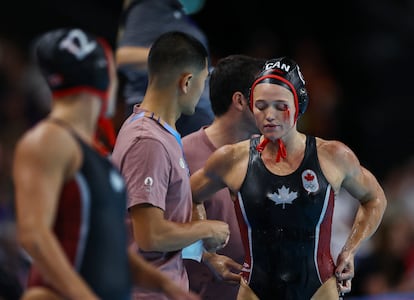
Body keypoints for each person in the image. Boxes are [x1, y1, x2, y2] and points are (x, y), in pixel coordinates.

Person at [12, 28, 199, 300]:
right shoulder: (50, 140)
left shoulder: (93, 152)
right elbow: (34, 237)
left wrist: (165, 285)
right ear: (103, 78)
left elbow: (107, 249)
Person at [190, 56, 387, 300]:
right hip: (254, 290)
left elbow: (375, 198)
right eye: (261, 106)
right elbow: (187, 197)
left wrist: (350, 250)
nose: (269, 115)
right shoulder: (232, 159)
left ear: (298, 106)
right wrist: (206, 255)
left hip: (319, 290)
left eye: (280, 106)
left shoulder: (333, 156)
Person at [111, 31, 230, 300]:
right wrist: (207, 228)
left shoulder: (160, 133)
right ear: (186, 82)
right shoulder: (147, 141)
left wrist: (204, 254)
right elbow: (149, 236)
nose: (203, 93)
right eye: (203, 82)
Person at [182, 54, 266, 299]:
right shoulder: (181, 155)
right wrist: (206, 257)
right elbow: (157, 230)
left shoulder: (271, 153)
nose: (270, 107)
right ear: (240, 101)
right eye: (262, 97)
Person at [115, 0, 214, 136]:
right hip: (165, 114)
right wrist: (178, 56)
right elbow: (123, 57)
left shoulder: (181, 16)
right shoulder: (149, 7)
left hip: (193, 113)